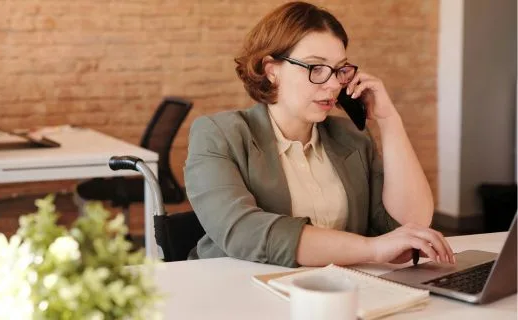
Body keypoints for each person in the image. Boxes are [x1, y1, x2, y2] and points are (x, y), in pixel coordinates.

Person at [184, 1, 455, 268]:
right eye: (316, 68)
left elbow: (410, 225)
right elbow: (242, 230)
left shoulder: (351, 137)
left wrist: (389, 120)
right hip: (235, 290)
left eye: (340, 69)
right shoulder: (218, 134)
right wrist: (370, 249)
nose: (334, 83)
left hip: (333, 293)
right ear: (271, 70)